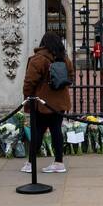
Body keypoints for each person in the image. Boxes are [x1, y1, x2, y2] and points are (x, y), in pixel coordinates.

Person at [21, 32, 74, 174]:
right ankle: (59, 162)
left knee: (38, 131)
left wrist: (28, 97)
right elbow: (71, 77)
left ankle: (31, 163)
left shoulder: (38, 59)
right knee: (56, 130)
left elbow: (29, 82)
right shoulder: (64, 59)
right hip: (60, 102)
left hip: (43, 102)